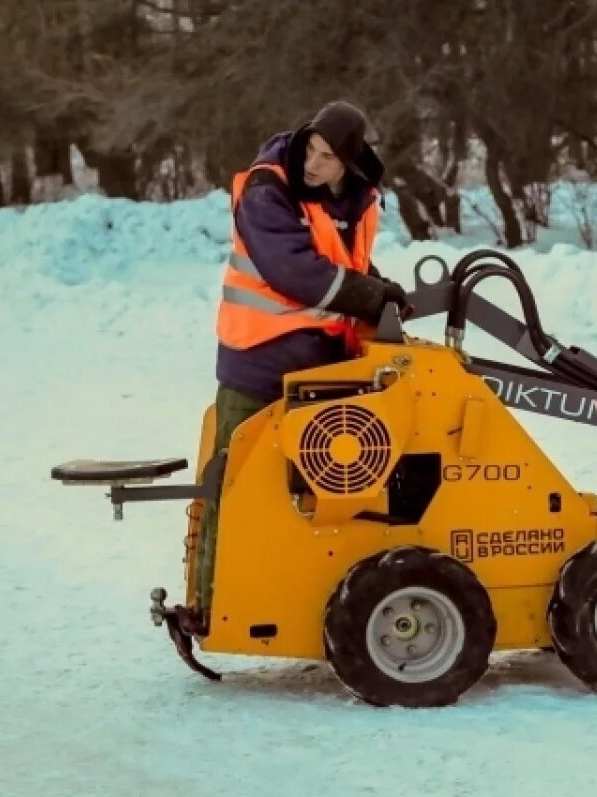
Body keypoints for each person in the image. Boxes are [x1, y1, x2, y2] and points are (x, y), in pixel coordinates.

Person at [186, 100, 410, 632]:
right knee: (233, 488)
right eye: (311, 149)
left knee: (321, 496)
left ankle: (296, 610)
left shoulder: (349, 201)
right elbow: (297, 272)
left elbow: (343, 266)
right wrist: (372, 296)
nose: (312, 163)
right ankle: (210, 608)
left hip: (322, 370)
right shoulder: (269, 191)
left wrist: (383, 292)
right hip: (259, 365)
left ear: (349, 163)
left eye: (327, 157)